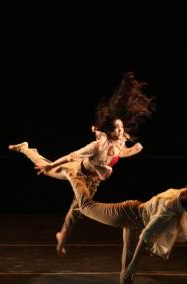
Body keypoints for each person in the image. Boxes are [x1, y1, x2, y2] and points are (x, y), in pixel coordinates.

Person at [9, 72, 154, 256]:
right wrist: (50, 166)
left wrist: (133, 151)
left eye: (121, 127)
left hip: (93, 180)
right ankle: (25, 149)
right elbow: (71, 156)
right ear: (109, 131)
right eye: (116, 127)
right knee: (48, 171)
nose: (120, 130)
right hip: (77, 171)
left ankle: (62, 236)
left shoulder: (120, 142)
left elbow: (119, 153)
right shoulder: (97, 146)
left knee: (77, 211)